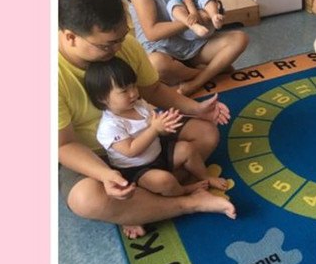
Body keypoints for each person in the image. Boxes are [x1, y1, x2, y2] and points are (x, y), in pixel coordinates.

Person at [59, 0, 236, 241]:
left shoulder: (124, 47)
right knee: (87, 199)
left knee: (207, 134)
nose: (118, 49)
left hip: (146, 134)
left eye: (121, 38)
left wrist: (198, 109)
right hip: (96, 155)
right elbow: (64, 146)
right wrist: (105, 174)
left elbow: (152, 89)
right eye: (107, 45)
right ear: (70, 37)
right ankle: (188, 202)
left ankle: (139, 206)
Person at [86, 57, 228, 197]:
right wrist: (154, 129)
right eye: (124, 91)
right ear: (102, 98)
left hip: (158, 153)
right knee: (164, 181)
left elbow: (157, 126)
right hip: (137, 170)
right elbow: (130, 151)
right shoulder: (109, 126)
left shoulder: (139, 105)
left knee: (187, 149)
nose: (133, 93)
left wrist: (166, 125)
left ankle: (205, 176)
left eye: (133, 86)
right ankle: (184, 190)